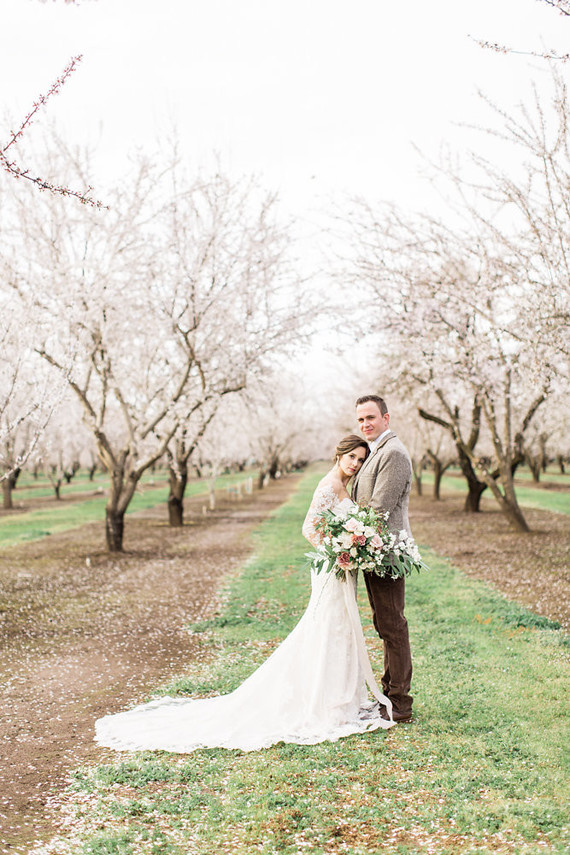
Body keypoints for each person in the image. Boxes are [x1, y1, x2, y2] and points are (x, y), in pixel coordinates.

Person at [95, 435, 394, 753]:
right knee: (329, 627)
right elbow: (309, 528)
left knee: (341, 628)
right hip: (330, 566)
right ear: (339, 455)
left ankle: (339, 697)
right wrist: (338, 550)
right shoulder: (328, 485)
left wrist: (351, 546)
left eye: (361, 460)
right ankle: (326, 702)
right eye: (352, 457)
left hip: (340, 567)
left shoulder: (342, 484)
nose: (356, 464)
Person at [352, 395, 414, 723]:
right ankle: (389, 694)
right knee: (384, 623)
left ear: (386, 418)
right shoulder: (377, 451)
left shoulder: (393, 453)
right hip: (372, 552)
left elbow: (378, 510)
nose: (366, 424)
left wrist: (347, 535)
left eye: (371, 417)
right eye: (361, 419)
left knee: (393, 625)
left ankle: (400, 703)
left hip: (385, 554)